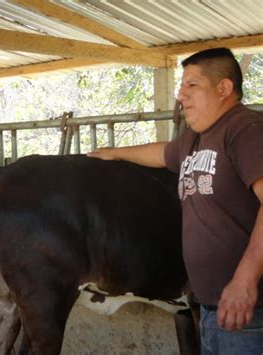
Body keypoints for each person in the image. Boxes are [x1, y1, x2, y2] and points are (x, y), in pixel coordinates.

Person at [89, 47, 263, 353]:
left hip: (249, 310)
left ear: (224, 88)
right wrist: (114, 152)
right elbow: (161, 153)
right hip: (213, 307)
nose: (181, 96)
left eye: (192, 85)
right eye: (181, 87)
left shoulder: (246, 130)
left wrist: (244, 280)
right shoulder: (196, 138)